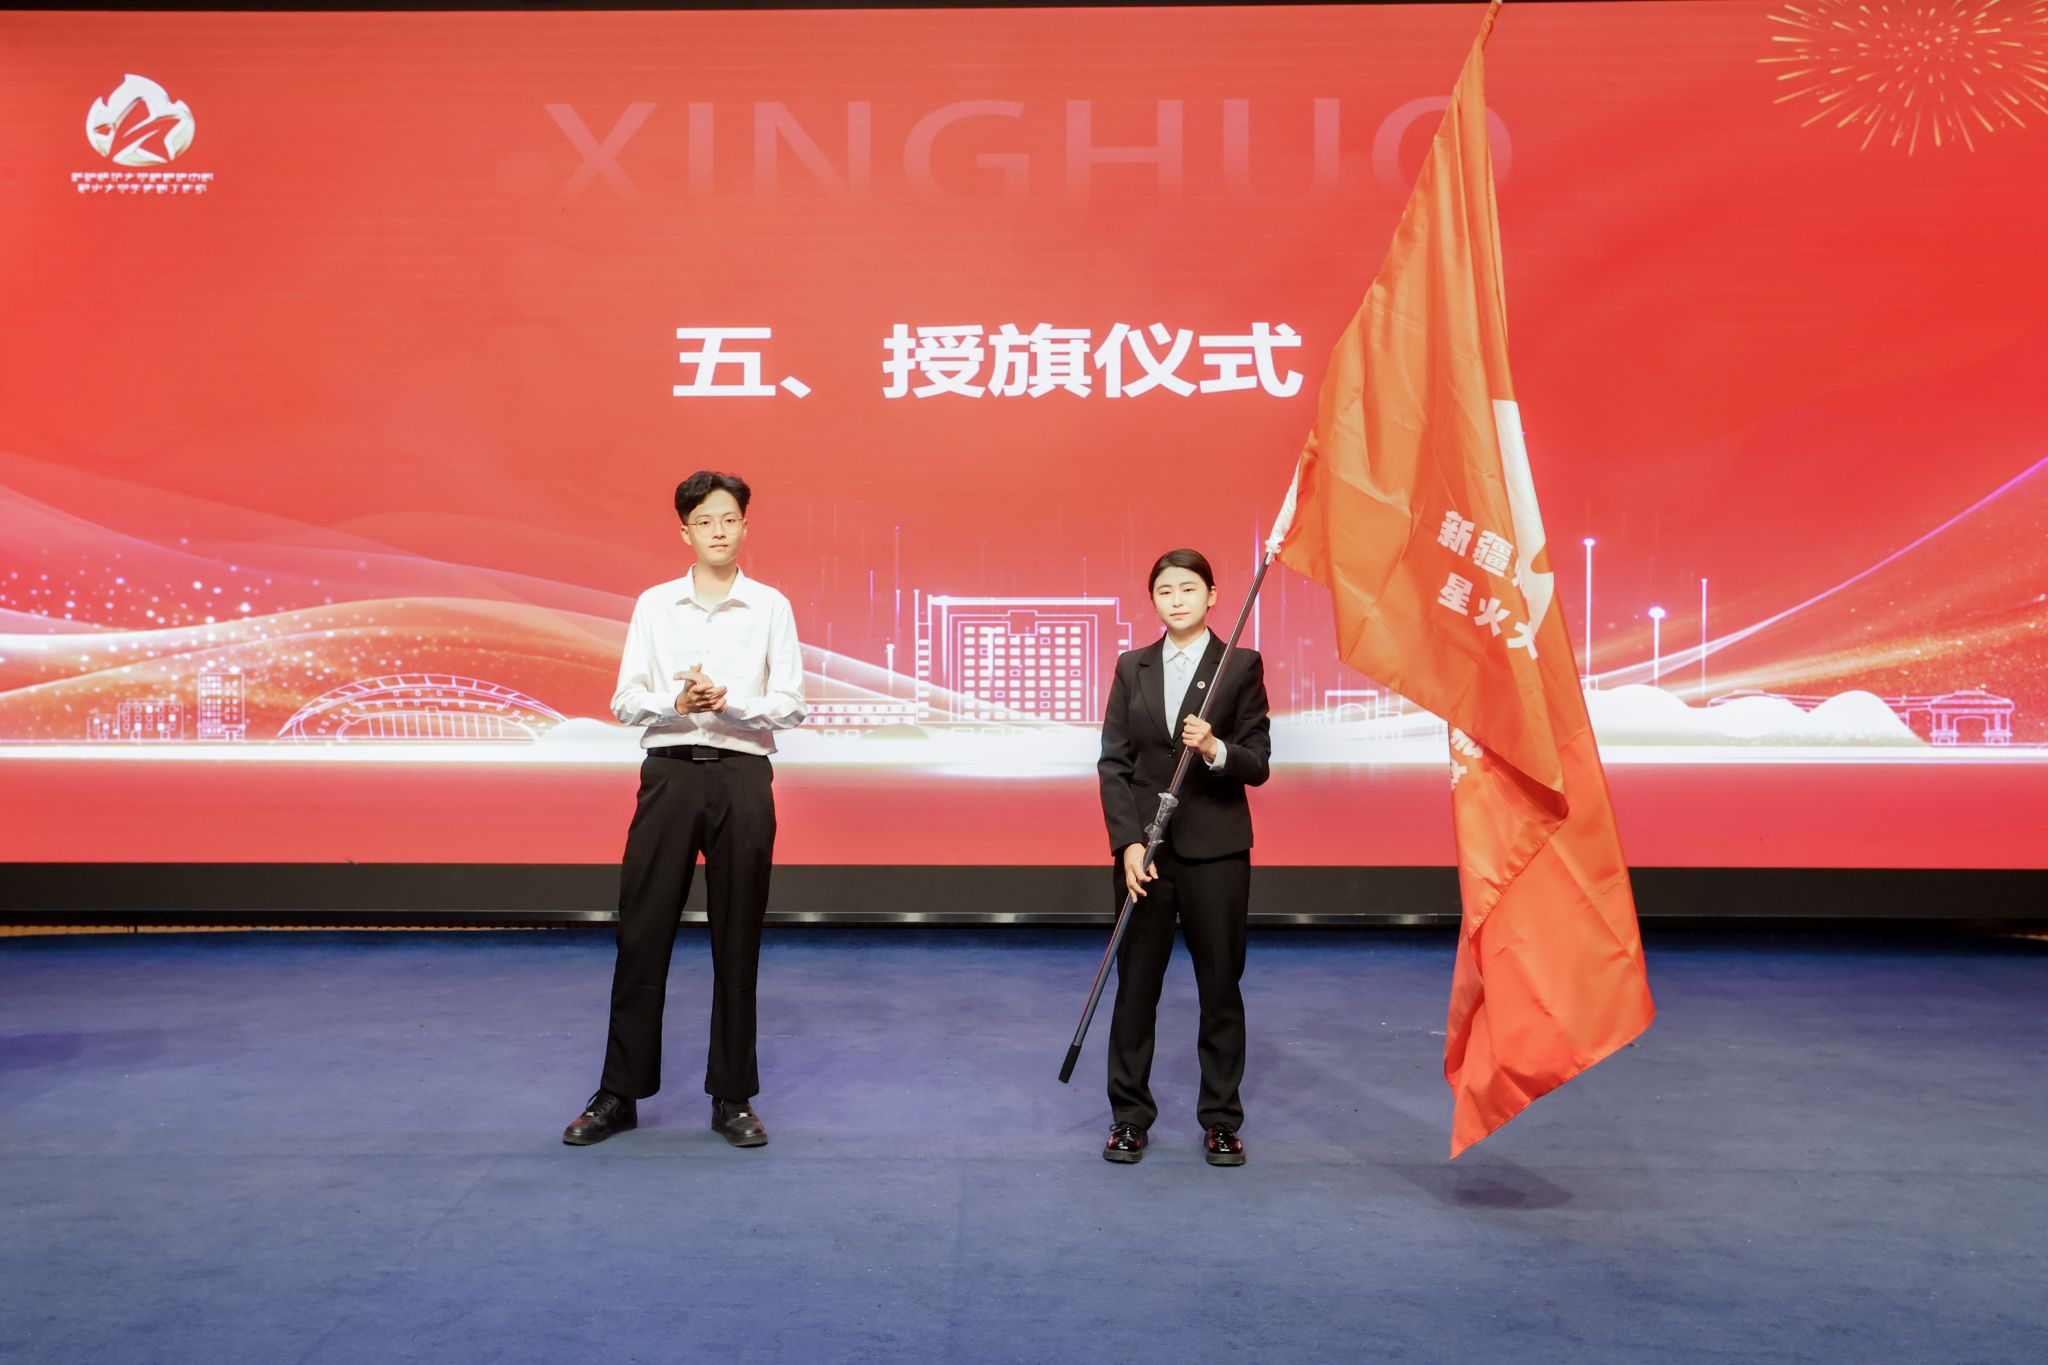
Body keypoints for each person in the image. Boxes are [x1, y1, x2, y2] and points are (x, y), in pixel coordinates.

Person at [562, 470, 805, 1149]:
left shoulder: (770, 606)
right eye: (704, 521)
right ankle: (619, 1092)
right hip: (668, 774)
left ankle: (732, 1096)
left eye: (729, 519)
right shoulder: (655, 605)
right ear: (685, 532)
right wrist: (678, 704)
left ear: (745, 526)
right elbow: (624, 700)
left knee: (737, 936)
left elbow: (791, 703)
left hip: (742, 777)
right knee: (642, 931)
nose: (718, 531)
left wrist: (728, 703)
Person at [1096, 548, 1271, 1166]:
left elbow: (1258, 762)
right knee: (1135, 988)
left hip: (1216, 852)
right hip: (1146, 854)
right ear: (1153, 600)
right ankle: (1128, 1117)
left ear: (1212, 596)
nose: (1176, 599)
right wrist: (1128, 843)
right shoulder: (1132, 666)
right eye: (1165, 590)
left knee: (1220, 987)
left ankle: (1221, 1120)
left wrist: (1217, 747)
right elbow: (1114, 763)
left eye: (1188, 588)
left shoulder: (1239, 665)